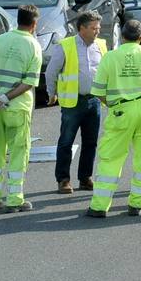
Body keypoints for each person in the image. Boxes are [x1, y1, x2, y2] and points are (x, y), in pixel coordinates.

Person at [84, 20, 141, 219]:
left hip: (121, 110)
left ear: (122, 36)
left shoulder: (111, 57)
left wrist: (112, 105)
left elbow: (97, 91)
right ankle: (137, 204)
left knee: (111, 158)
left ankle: (99, 206)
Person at [0, 4, 44, 213]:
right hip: (17, 109)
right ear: (34, 24)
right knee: (18, 153)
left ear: (18, 20)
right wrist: (7, 97)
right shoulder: (33, 46)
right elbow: (28, 82)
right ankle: (15, 200)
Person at [47, 11, 108, 195]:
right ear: (82, 28)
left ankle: (85, 177)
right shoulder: (65, 46)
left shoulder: (101, 45)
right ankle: (63, 180)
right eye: (93, 28)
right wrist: (51, 93)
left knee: (91, 142)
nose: (97, 31)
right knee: (66, 142)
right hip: (72, 103)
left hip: (94, 101)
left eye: (98, 28)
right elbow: (51, 72)